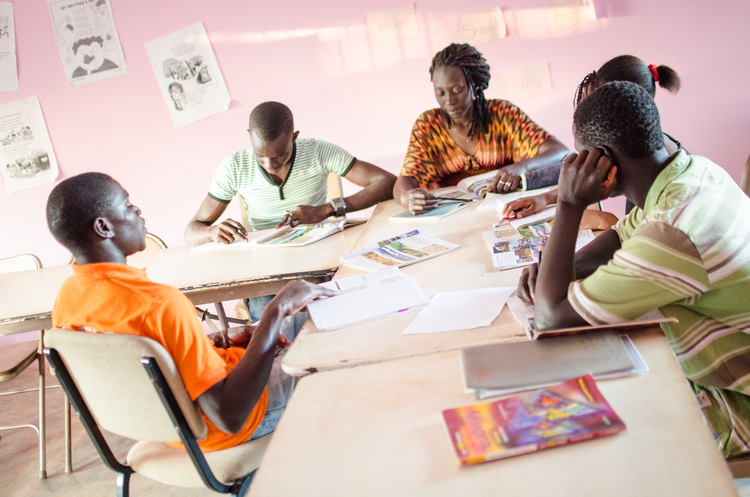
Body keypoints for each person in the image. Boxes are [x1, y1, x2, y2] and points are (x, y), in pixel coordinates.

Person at [518, 81, 750, 459]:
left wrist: (568, 203)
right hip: (721, 371)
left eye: (581, 158)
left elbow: (550, 317)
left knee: (597, 445)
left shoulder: (672, 233)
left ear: (603, 162)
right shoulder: (691, 173)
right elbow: (620, 237)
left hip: (738, 407)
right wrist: (559, 271)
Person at [47, 173, 337, 451]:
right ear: (103, 228)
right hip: (230, 422)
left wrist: (213, 342)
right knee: (330, 344)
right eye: (127, 205)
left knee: (302, 317)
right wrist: (276, 309)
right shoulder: (159, 303)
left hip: (172, 428)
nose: (137, 210)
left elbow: (136, 360)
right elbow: (229, 415)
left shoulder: (67, 298)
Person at [502, 55, 683, 226]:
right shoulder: (646, 149)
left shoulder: (660, 182)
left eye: (599, 108)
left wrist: (603, 219)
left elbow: (643, 239)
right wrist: (547, 198)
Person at [185, 101, 396, 244]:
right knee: (268, 307)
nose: (270, 164)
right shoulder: (234, 167)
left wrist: (326, 209)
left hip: (318, 246)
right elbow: (191, 231)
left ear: (293, 138)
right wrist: (211, 232)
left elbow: (386, 182)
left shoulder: (319, 151)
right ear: (249, 137)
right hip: (266, 259)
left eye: (280, 155)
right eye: (260, 155)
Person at [393, 43, 569, 215]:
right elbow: (405, 180)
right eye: (441, 93)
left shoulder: (502, 114)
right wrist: (407, 197)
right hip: (452, 219)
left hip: (505, 211)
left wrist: (520, 168)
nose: (449, 100)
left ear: (474, 84)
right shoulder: (428, 126)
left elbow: (559, 151)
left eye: (457, 90)